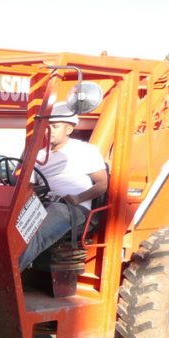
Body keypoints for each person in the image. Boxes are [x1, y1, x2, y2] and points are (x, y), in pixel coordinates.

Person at [18, 103, 108, 271]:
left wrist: (78, 198)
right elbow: (30, 186)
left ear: (68, 129)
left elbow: (102, 184)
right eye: (47, 126)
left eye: (55, 126)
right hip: (43, 204)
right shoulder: (38, 154)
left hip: (71, 207)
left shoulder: (85, 151)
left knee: (36, 230)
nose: (49, 131)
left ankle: (10, 274)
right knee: (11, 228)